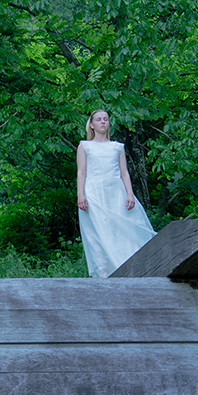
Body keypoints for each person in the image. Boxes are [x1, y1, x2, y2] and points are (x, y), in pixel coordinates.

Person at [76, 109, 155, 277]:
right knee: (97, 232)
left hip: (115, 193)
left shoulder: (117, 147)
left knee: (123, 228)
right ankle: (104, 272)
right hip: (94, 194)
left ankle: (131, 267)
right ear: (92, 124)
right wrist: (80, 195)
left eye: (105, 119)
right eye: (98, 119)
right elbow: (81, 172)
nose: (103, 122)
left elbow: (124, 173)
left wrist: (129, 193)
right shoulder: (85, 146)